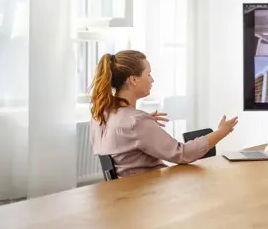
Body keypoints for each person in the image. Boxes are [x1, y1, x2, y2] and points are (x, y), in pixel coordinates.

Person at [89, 50, 239, 177]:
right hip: (149, 195)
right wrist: (221, 132)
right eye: (148, 74)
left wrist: (144, 126)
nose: (152, 80)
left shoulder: (101, 114)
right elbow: (183, 154)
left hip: (126, 195)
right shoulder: (136, 122)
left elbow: (122, 141)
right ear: (133, 80)